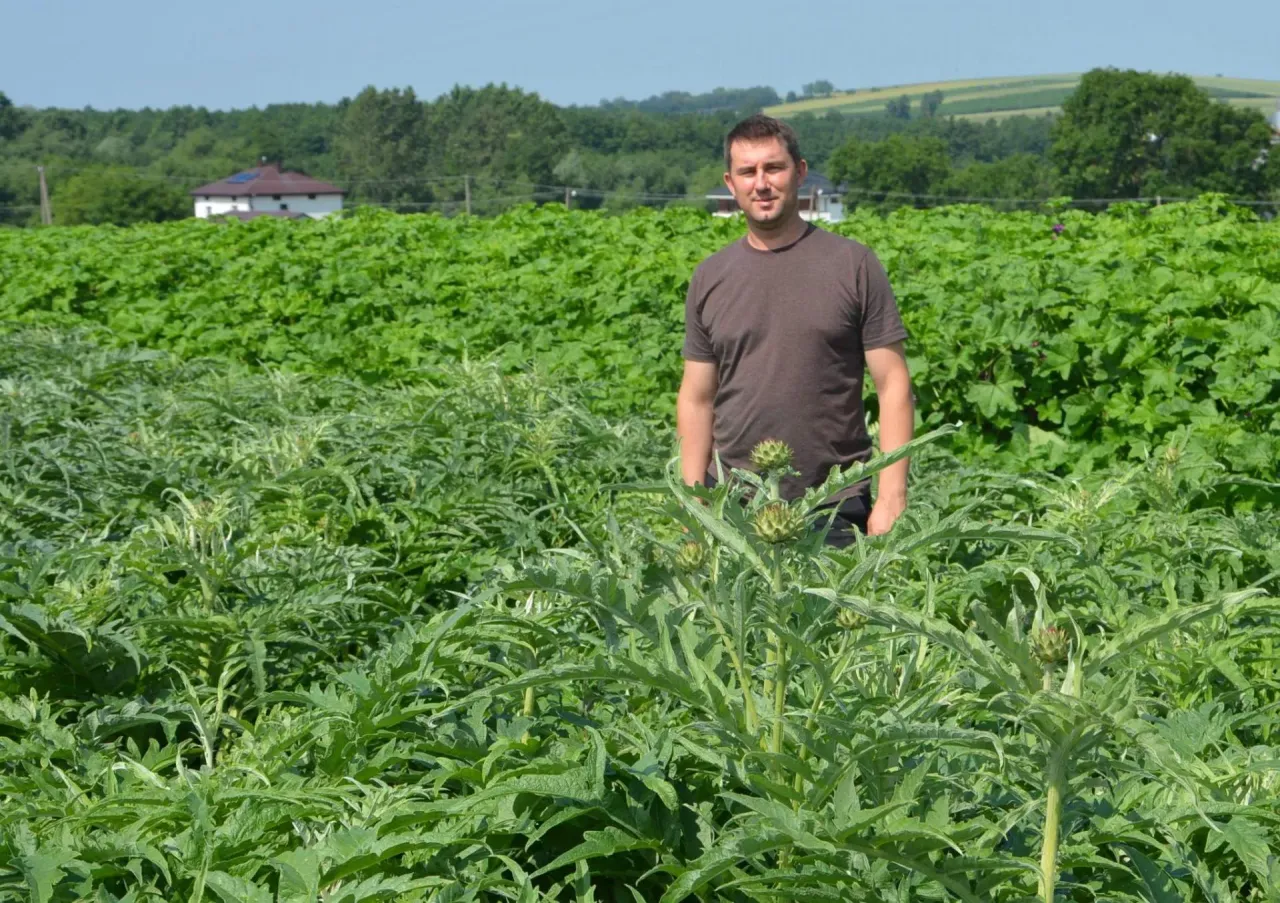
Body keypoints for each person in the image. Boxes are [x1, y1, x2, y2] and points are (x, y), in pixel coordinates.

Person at [676, 114, 915, 546]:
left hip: (832, 503)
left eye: (774, 168)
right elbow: (697, 397)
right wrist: (693, 502)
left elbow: (893, 383)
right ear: (731, 183)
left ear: (800, 172)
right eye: (748, 172)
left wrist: (892, 494)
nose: (761, 183)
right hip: (734, 504)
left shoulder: (853, 265)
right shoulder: (710, 277)